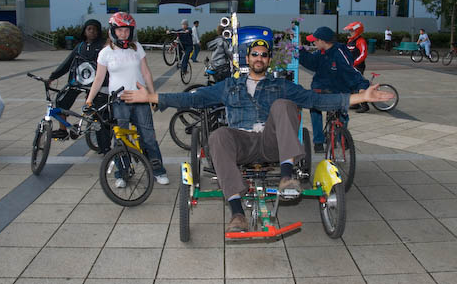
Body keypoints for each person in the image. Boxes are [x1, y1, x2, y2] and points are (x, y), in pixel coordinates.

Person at [120, 38, 394, 233]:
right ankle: (237, 214)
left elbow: (318, 101)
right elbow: (193, 98)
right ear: (247, 59)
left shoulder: (282, 85)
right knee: (217, 136)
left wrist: (361, 97)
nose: (259, 58)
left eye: (264, 55)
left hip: (274, 144)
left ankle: (287, 176)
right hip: (243, 143)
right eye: (255, 54)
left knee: (284, 105)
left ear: (268, 59)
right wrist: (153, 96)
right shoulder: (229, 86)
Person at [86, 12, 169, 186]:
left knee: (148, 137)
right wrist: (89, 100)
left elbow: (146, 72)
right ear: (112, 31)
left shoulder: (137, 47)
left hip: (140, 99)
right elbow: (99, 78)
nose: (123, 34)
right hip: (119, 102)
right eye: (120, 30)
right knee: (120, 138)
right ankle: (121, 174)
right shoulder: (105, 53)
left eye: (127, 30)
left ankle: (158, 171)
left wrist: (153, 96)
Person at [299, 27, 369, 153]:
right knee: (315, 108)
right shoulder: (320, 52)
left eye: (315, 40)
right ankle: (318, 142)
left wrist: (362, 86)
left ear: (322, 41)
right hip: (320, 89)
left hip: (338, 90)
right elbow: (310, 62)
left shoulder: (339, 52)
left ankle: (342, 135)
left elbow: (351, 71)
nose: (313, 43)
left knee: (341, 112)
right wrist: (300, 50)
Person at [47, 19, 111, 153]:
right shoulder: (80, 46)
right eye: (89, 29)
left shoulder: (104, 46)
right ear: (84, 31)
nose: (92, 31)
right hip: (79, 82)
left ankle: (104, 147)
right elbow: (67, 63)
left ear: (99, 31)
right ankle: (63, 130)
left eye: (95, 29)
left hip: (98, 84)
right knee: (61, 100)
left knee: (98, 115)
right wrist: (53, 77)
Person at [344, 22, 369, 113]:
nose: (350, 32)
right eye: (350, 30)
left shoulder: (360, 41)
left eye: (352, 30)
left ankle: (364, 105)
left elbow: (363, 54)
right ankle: (356, 103)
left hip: (358, 66)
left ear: (357, 31)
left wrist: (354, 63)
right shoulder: (350, 41)